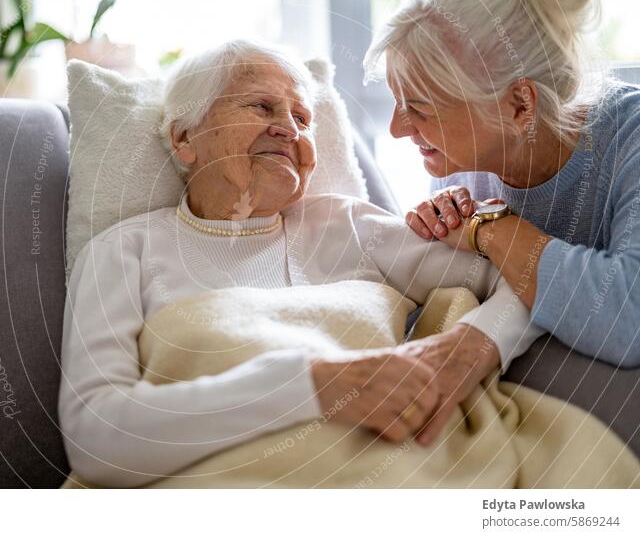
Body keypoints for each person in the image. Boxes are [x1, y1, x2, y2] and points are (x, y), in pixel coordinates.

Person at [59, 40, 539, 488]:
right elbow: (94, 439)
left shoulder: (347, 224)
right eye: (260, 106)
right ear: (185, 138)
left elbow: (527, 279)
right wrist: (312, 386)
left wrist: (475, 345)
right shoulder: (122, 252)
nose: (289, 129)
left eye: (303, 118)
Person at [365, 0, 640, 368]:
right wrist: (440, 233)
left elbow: (629, 320)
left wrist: (491, 227)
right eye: (396, 101)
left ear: (519, 105)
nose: (396, 129)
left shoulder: (629, 140)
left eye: (419, 108)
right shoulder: (458, 160)